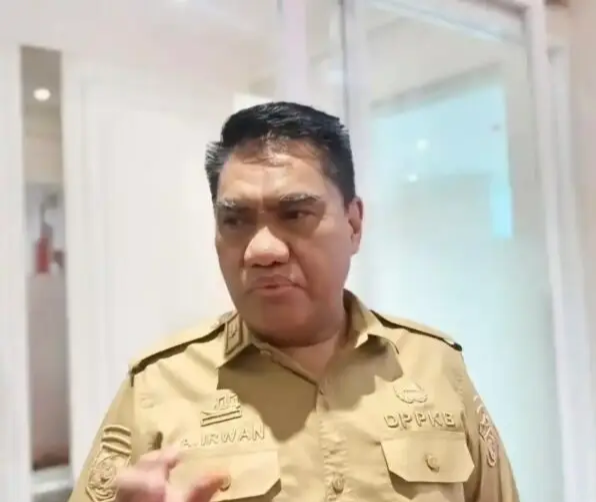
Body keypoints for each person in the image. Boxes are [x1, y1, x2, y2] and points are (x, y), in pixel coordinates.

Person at [68, 102, 519, 502]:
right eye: (235, 220)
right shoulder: (158, 386)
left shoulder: (434, 365)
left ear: (354, 225)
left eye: (295, 214)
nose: (262, 250)